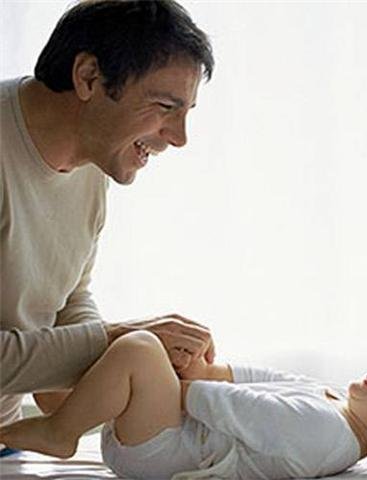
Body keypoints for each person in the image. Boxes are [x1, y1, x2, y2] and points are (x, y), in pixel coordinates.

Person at [0, 0, 215, 432]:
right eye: (164, 106)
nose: (179, 138)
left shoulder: (91, 160)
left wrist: (127, 357)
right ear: (88, 78)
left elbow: (66, 300)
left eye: (185, 113)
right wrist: (114, 339)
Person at [0, 330, 367, 479]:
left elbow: (230, 406)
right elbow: (256, 380)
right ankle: (63, 414)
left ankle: (61, 435)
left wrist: (175, 378)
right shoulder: (333, 402)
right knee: (68, 385)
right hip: (167, 430)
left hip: (164, 452)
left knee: (139, 350)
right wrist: (206, 368)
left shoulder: (326, 435)